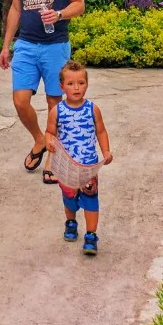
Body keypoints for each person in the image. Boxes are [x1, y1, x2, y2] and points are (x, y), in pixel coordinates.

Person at [0, 0, 85, 182]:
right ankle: (39, 139)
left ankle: (51, 158)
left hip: (55, 46)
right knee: (20, 101)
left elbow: (79, 4)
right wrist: (6, 46)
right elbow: (16, 8)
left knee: (54, 104)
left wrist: (59, 14)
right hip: (25, 44)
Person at [45, 61, 112, 255]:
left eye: (81, 83)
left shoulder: (93, 109)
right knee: (70, 198)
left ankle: (91, 235)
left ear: (87, 85)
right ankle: (71, 222)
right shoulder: (57, 111)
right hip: (66, 166)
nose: (76, 88)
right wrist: (49, 141)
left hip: (88, 165)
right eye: (71, 83)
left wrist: (106, 151)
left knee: (91, 198)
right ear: (61, 87)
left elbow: (101, 131)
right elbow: (50, 132)